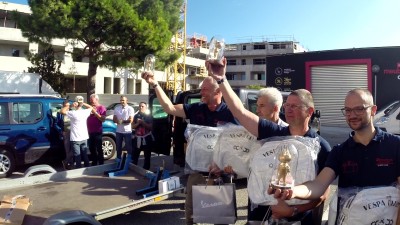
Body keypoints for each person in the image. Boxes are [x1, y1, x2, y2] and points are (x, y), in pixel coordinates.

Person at [206, 58, 331, 224]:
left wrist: (293, 210)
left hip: (299, 219)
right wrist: (221, 79)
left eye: (295, 106)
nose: (288, 109)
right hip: (260, 214)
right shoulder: (272, 132)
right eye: (287, 105)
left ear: (309, 111)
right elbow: (240, 112)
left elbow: (322, 193)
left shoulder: (321, 146)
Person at [271, 88, 400, 223]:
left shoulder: (395, 145)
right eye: (348, 110)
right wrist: (292, 190)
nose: (352, 115)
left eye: (359, 109)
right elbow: (318, 185)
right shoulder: (340, 151)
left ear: (373, 110)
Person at [141, 71, 237, 225]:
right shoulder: (196, 108)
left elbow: (238, 143)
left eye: (205, 89)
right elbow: (169, 108)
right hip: (197, 170)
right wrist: (155, 84)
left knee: (220, 217)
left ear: (218, 91)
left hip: (220, 172)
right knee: (191, 214)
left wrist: (227, 165)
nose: (201, 92)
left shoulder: (231, 112)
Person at [61, 96, 94, 168]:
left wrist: (68, 105)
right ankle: (87, 168)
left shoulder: (73, 113)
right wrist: (82, 103)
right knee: (85, 155)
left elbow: (62, 111)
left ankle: (78, 169)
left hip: (75, 138)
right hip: (84, 137)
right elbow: (91, 107)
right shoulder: (85, 112)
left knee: (77, 156)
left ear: (75, 102)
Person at [131, 102, 154, 170]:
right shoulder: (136, 116)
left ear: (146, 107)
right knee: (135, 154)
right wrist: (138, 123)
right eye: (140, 106)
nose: (141, 108)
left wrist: (143, 122)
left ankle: (146, 169)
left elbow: (151, 127)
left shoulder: (149, 116)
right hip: (138, 138)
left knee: (147, 155)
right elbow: (132, 126)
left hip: (146, 138)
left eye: (142, 106)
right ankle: (134, 167)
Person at [113, 95, 134, 164]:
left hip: (127, 131)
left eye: (123, 100)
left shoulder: (130, 108)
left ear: (126, 101)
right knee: (118, 146)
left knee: (128, 146)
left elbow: (130, 120)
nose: (122, 102)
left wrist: (122, 121)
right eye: (121, 100)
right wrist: (117, 121)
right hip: (119, 131)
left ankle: (129, 159)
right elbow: (114, 119)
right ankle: (118, 158)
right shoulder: (117, 108)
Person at [87, 94, 106, 166]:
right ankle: (94, 162)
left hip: (97, 131)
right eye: (90, 101)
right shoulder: (90, 108)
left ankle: (101, 162)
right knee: (91, 148)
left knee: (99, 148)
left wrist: (95, 112)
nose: (91, 102)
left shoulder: (101, 108)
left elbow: (103, 119)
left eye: (92, 101)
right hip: (90, 131)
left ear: (97, 100)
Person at [56, 100, 73, 170]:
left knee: (74, 148)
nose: (68, 107)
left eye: (69, 106)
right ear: (63, 106)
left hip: (74, 132)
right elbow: (56, 124)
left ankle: (66, 161)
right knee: (67, 149)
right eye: (66, 106)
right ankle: (69, 164)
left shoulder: (72, 112)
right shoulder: (60, 113)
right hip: (66, 132)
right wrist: (61, 131)